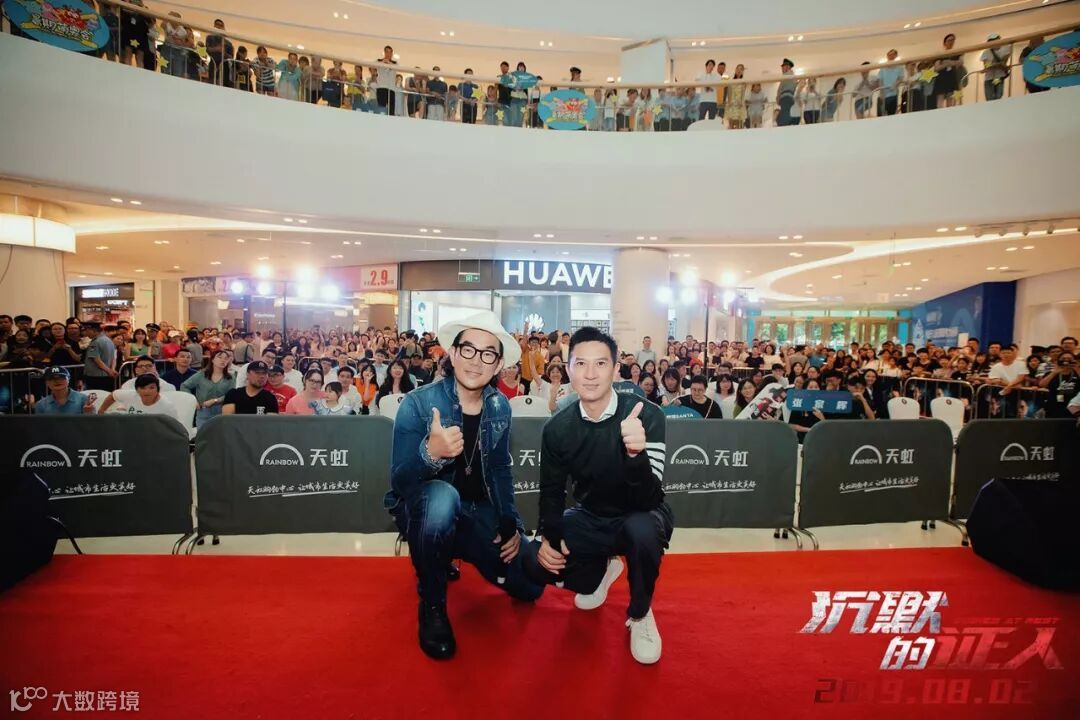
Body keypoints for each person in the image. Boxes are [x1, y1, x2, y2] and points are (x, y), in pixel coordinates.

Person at [386, 310, 542, 660]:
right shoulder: (419, 403)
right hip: (426, 510)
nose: (476, 360)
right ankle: (432, 603)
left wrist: (510, 522)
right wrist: (430, 454)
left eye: (488, 354)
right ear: (453, 354)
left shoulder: (500, 406)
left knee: (530, 587)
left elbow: (500, 468)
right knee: (442, 497)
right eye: (468, 349)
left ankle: (446, 551)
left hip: (476, 512)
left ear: (498, 364)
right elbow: (400, 482)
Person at [521, 326, 672, 665]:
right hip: (591, 515)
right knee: (533, 560)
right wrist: (549, 537)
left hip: (639, 513)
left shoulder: (647, 415)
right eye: (581, 364)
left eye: (601, 364)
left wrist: (636, 454)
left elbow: (649, 498)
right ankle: (600, 571)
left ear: (616, 369)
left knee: (642, 531)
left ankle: (640, 612)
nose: (590, 374)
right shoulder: (557, 427)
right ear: (568, 369)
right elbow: (552, 491)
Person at [181, 349, 234, 425]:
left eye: (226, 358)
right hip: (203, 411)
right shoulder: (202, 374)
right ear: (212, 359)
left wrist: (215, 400)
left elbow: (231, 394)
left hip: (222, 412)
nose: (223, 360)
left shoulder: (230, 377)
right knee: (202, 432)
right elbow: (184, 386)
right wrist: (193, 400)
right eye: (220, 357)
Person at [101, 374, 179, 420]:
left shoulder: (167, 406)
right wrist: (101, 411)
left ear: (158, 389)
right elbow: (113, 395)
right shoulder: (131, 395)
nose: (147, 391)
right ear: (137, 390)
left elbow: (175, 428)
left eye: (151, 388)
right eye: (142, 388)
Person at [1038, 351, 1078, 418]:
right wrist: (1054, 372)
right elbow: (1042, 385)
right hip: (1054, 404)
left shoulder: (1076, 373)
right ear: (1058, 360)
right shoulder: (1053, 373)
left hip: (1072, 405)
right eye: (1063, 358)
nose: (1066, 361)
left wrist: (1077, 369)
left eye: (1070, 359)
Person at [82, 321, 118, 391]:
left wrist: (109, 371)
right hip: (107, 375)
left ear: (93, 330)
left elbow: (96, 359)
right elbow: (114, 358)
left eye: (87, 330)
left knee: (96, 395)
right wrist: (112, 370)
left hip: (95, 376)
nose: (86, 333)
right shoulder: (109, 340)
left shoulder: (95, 342)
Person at [933, 33, 964, 109]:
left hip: (952, 77)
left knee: (950, 99)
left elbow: (961, 62)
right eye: (949, 40)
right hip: (941, 78)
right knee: (940, 99)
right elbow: (936, 68)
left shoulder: (957, 53)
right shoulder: (940, 54)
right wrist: (946, 65)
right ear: (945, 43)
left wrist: (949, 62)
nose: (951, 42)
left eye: (952, 40)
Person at [980, 33, 1011, 102]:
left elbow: (1003, 63)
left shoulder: (1005, 49)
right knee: (990, 98)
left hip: (999, 76)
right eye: (992, 41)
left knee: (998, 96)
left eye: (996, 40)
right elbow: (987, 66)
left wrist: (993, 64)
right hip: (989, 77)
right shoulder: (986, 52)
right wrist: (998, 64)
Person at [877, 49, 905, 116]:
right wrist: (881, 93)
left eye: (893, 55)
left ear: (896, 56)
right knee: (881, 115)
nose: (891, 56)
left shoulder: (899, 67)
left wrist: (895, 84)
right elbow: (880, 80)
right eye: (889, 55)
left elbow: (900, 78)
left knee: (891, 114)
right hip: (883, 95)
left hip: (893, 94)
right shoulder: (883, 67)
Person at [776, 58, 798, 126]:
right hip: (789, 97)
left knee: (784, 114)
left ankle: (783, 125)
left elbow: (780, 88)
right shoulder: (793, 76)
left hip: (785, 97)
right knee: (786, 112)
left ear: (787, 67)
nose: (782, 69)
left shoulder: (787, 75)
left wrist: (778, 97)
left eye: (783, 67)